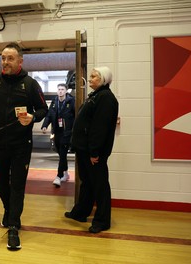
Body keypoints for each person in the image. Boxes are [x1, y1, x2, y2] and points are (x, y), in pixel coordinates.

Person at [0, 42, 48, 251]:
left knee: (17, 186)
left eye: (10, 58)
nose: (5, 62)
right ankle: (8, 211)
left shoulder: (31, 84)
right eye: (3, 58)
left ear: (20, 61)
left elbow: (43, 109)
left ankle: (13, 226)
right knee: (3, 184)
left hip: (21, 145)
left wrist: (32, 117)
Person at [64, 66, 118, 234]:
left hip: (93, 152)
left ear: (103, 79)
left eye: (95, 76)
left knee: (100, 186)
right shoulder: (95, 96)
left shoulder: (106, 99)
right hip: (84, 149)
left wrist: (95, 152)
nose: (91, 78)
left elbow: (99, 128)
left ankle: (102, 221)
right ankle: (81, 212)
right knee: (87, 183)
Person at [41, 83, 75, 187]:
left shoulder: (71, 101)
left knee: (63, 153)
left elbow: (76, 116)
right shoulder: (54, 102)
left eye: (62, 89)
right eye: (59, 89)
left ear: (66, 91)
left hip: (67, 132)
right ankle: (66, 173)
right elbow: (49, 115)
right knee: (61, 153)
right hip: (57, 131)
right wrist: (44, 126)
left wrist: (74, 130)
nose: (60, 91)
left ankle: (58, 176)